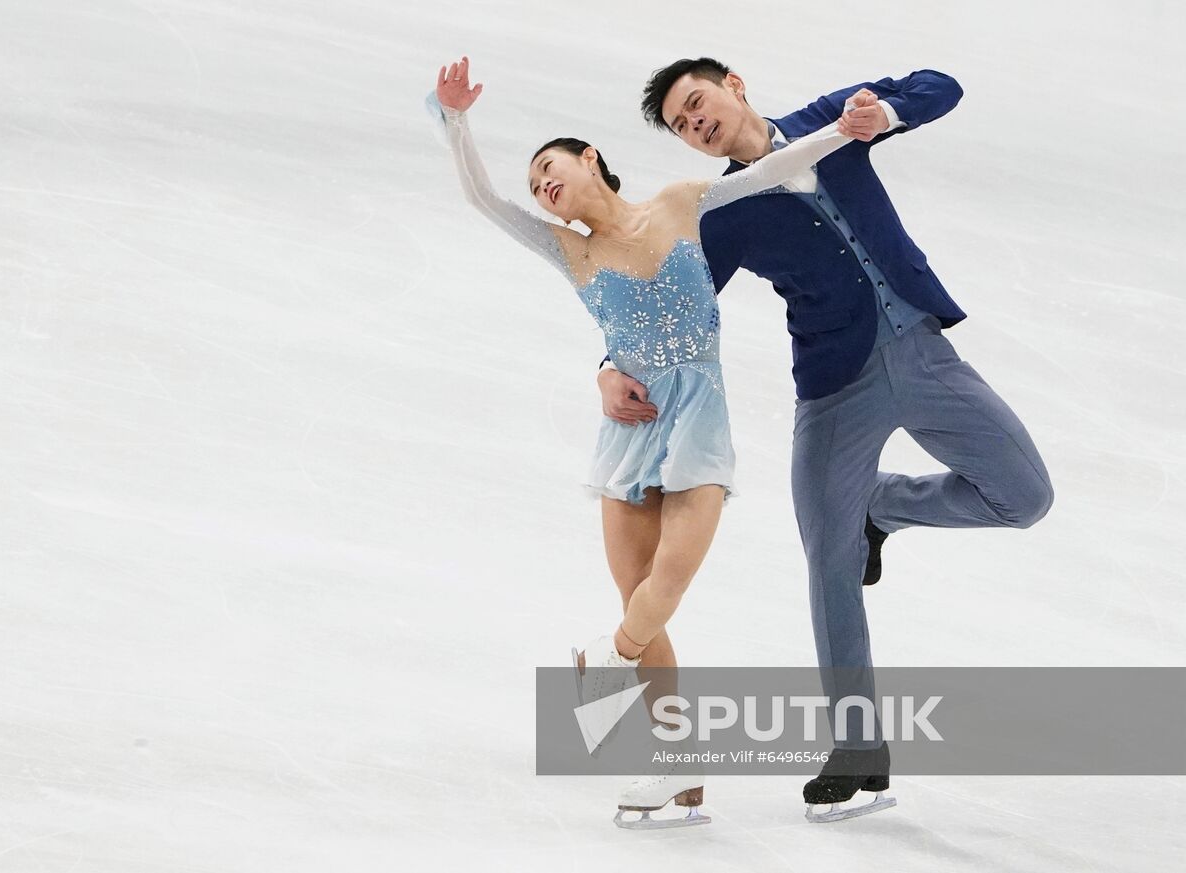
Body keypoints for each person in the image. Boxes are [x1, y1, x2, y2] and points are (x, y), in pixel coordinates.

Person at [595, 58, 1054, 822]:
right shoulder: (724, 209)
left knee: (1025, 496)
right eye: (682, 125)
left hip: (924, 351)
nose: (696, 124)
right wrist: (613, 364)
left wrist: (889, 116)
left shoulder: (831, 121)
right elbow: (673, 302)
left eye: (697, 103)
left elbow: (940, 85)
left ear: (733, 85)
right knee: (827, 553)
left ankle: (884, 509)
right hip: (838, 385)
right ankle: (857, 747)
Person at [429, 56, 853, 827]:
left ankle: (604, 660)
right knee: (640, 601)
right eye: (536, 187)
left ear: (589, 158)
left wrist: (839, 132)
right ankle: (677, 770)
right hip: (629, 430)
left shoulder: (681, 200)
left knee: (669, 583)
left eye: (549, 169)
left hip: (700, 418)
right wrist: (455, 118)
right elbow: (481, 198)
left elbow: (770, 168)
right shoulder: (569, 249)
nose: (542, 187)